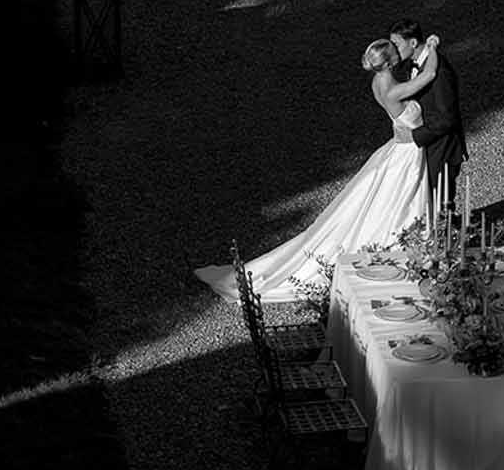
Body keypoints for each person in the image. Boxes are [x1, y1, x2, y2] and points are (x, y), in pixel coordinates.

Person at [195, 35, 440, 304]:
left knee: (381, 203)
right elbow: (429, 75)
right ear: (390, 61)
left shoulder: (378, 83)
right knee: (399, 200)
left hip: (399, 146)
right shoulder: (393, 90)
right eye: (395, 51)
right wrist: (431, 47)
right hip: (406, 153)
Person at [390, 18, 467, 215]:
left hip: (441, 148)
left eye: (396, 45)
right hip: (429, 145)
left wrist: (415, 136)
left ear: (413, 43)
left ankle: (445, 239)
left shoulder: (440, 73)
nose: (393, 50)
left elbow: (447, 118)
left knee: (440, 202)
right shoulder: (413, 64)